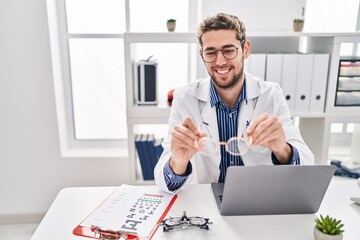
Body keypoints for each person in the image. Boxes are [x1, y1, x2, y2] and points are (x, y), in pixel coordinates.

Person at [154, 13, 314, 193]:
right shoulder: (184, 98)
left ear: (245, 49)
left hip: (258, 197)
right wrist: (178, 162)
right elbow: (163, 179)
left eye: (229, 50)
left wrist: (282, 149)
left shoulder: (270, 94)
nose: (220, 61)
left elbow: (306, 164)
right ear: (202, 54)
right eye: (211, 52)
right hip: (206, 202)